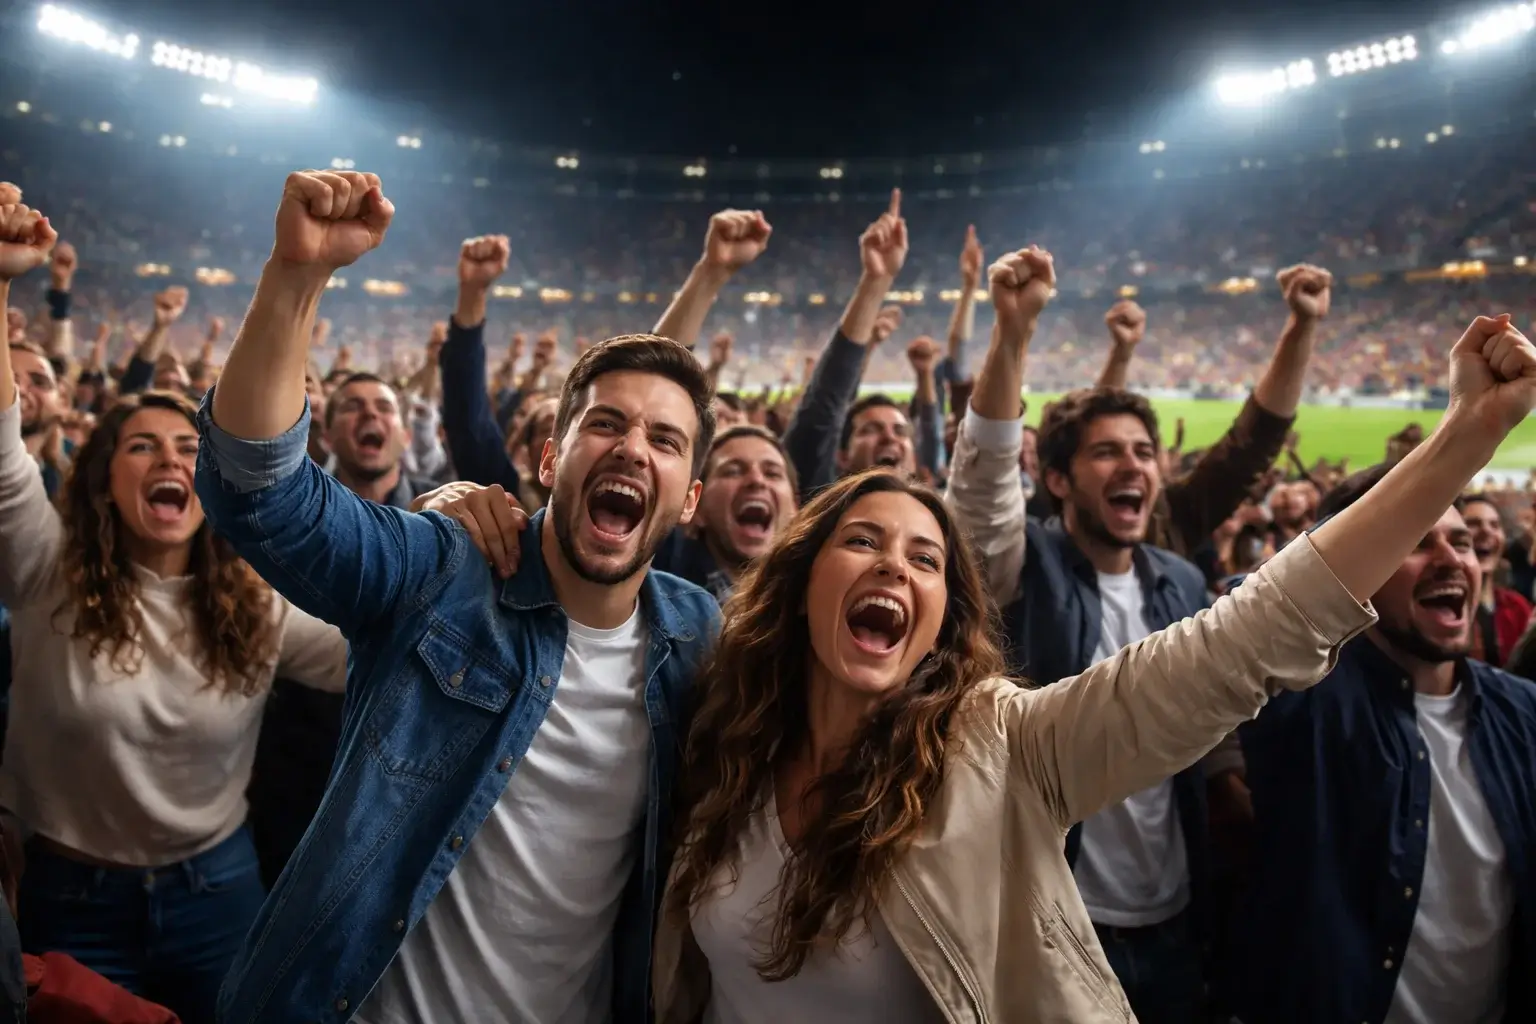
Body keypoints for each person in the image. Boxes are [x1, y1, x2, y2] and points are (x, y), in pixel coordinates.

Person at [194, 169, 720, 1024]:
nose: (633, 449)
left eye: (666, 440)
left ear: (689, 499)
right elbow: (262, 495)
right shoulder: (444, 572)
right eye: (605, 425)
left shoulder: (704, 645)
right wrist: (296, 279)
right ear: (551, 461)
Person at [0, 184, 347, 1024]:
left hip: (217, 895)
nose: (170, 460)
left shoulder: (258, 604)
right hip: (66, 896)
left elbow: (376, 646)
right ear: (104, 477)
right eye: (142, 446)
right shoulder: (45, 564)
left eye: (191, 448)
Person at [1235, 465, 1536, 1024]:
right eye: (1416, 541)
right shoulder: (1304, 702)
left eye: (1463, 541)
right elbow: (1252, 613)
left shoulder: (1524, 714)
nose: (1451, 558)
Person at [1460, 493, 1531, 666]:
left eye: (1495, 525)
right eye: (1473, 524)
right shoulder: (1439, 610)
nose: (1486, 531)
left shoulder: (1517, 607)